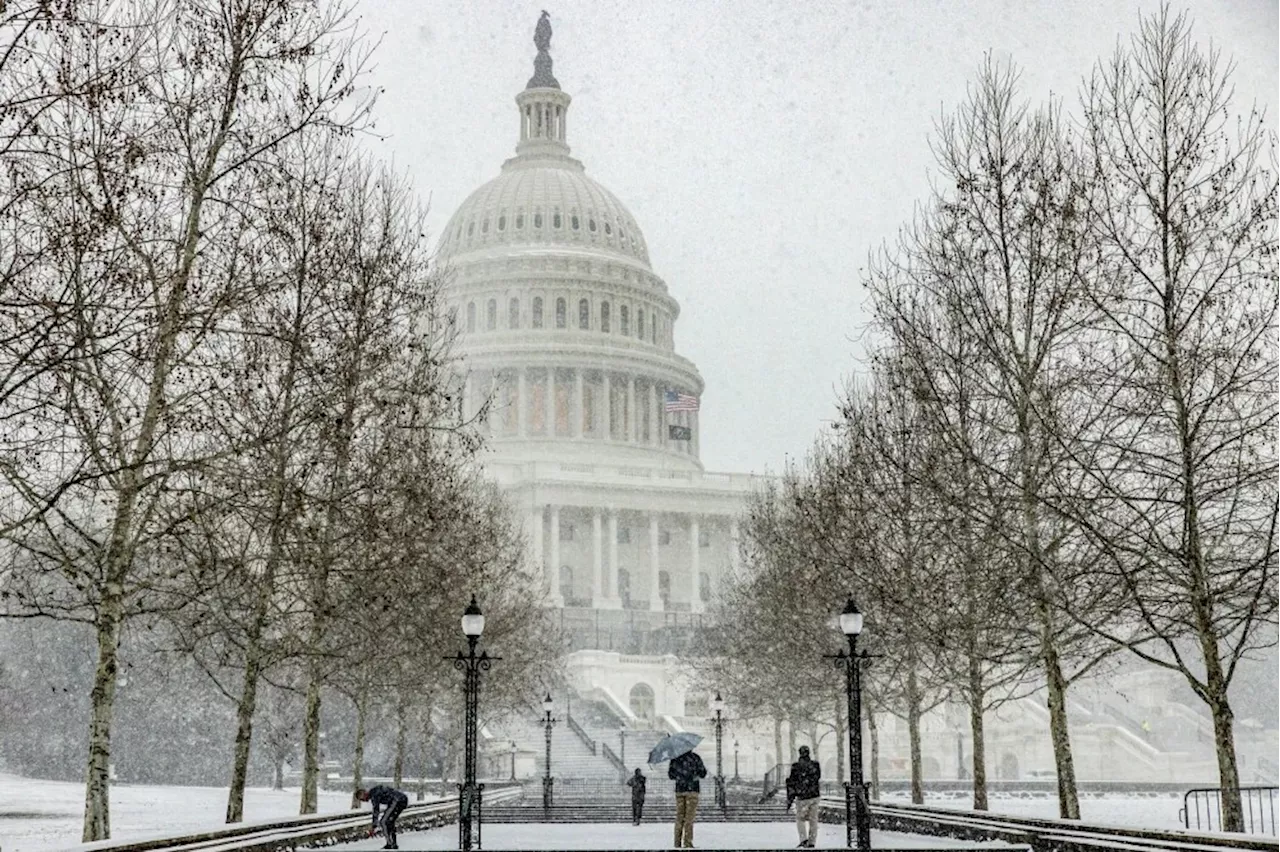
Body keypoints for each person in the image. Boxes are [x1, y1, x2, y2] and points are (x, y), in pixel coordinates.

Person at [668, 749, 707, 848]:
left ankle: (677, 842)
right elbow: (703, 773)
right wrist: (694, 774)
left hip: (680, 790)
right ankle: (687, 842)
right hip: (692, 790)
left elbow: (671, 775)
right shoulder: (695, 758)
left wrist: (680, 776)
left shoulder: (675, 759)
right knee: (689, 818)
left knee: (679, 817)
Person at [786, 745, 822, 848]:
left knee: (800, 819)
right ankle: (812, 841)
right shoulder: (815, 765)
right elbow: (817, 777)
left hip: (802, 797)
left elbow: (792, 780)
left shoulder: (796, 766)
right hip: (814, 795)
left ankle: (803, 839)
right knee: (813, 820)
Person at [356, 785, 408, 850]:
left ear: (364, 794)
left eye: (362, 799)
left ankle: (390, 844)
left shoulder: (374, 794)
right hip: (400, 799)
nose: (363, 801)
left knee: (384, 822)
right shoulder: (374, 791)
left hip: (397, 800)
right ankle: (392, 843)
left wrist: (374, 826)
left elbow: (376, 810)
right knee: (389, 822)